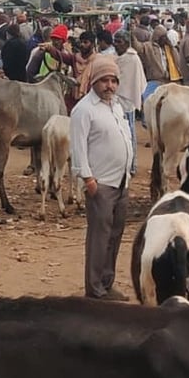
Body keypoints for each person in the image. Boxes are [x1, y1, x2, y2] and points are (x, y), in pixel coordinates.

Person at [69, 57, 134, 301]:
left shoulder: (116, 106)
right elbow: (78, 148)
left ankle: (107, 284)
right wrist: (88, 179)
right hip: (100, 183)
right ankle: (94, 290)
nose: (109, 85)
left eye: (113, 80)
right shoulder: (84, 110)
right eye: (104, 80)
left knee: (115, 235)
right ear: (94, 81)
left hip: (121, 181)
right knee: (99, 237)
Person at [111, 29, 146, 175]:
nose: (116, 45)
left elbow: (134, 81)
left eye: (119, 42)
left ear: (126, 43)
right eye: (115, 41)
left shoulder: (132, 59)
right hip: (114, 102)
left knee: (129, 134)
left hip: (127, 102)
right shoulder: (114, 57)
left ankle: (131, 165)